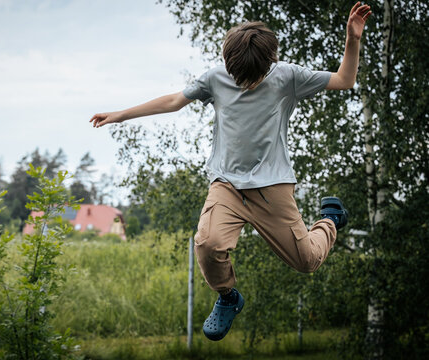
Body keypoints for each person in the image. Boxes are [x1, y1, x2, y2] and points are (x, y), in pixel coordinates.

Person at [90, 2, 371, 341]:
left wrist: (352, 39)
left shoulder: (288, 77)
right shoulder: (216, 76)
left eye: (252, 79)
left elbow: (344, 80)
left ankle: (329, 220)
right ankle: (228, 297)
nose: (245, 84)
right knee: (207, 244)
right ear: (227, 63)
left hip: (273, 188)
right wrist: (122, 115)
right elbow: (173, 101)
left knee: (308, 262)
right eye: (239, 78)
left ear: (270, 64)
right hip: (227, 185)